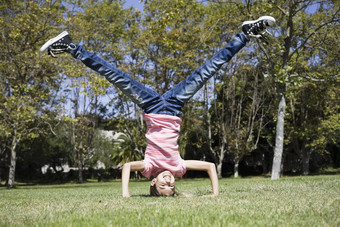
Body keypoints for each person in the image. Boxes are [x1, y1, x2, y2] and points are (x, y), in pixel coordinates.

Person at [40, 16, 276, 197]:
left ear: (153, 181)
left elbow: (126, 167)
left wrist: (125, 195)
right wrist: (214, 194)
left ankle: (70, 46)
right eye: (171, 185)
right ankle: (246, 34)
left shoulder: (149, 167)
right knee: (209, 69)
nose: (169, 181)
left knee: (113, 74)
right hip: (174, 107)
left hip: (151, 106)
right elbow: (211, 166)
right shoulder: (179, 167)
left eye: (163, 184)